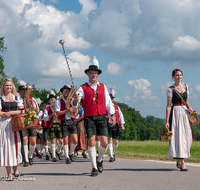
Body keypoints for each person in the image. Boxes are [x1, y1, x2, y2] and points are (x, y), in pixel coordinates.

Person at [73, 56, 116, 176]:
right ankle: (94, 167)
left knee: (105, 143)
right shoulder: (82, 88)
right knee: (91, 142)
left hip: (102, 116)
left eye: (95, 73)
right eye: (91, 73)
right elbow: (74, 103)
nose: (93, 75)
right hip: (89, 117)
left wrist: (112, 114)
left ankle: (99, 159)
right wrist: (76, 100)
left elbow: (108, 102)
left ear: (98, 75)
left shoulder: (102, 87)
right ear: (88, 74)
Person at [165, 69, 193, 171]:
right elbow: (168, 106)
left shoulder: (186, 87)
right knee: (179, 137)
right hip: (176, 113)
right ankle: (182, 162)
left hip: (185, 113)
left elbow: (186, 101)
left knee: (187, 137)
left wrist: (190, 108)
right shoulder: (170, 89)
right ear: (173, 76)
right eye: (177, 75)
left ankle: (179, 159)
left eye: (180, 75)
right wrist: (167, 121)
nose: (179, 77)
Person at [0, 79, 24, 179]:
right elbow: (0, 113)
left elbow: (22, 111)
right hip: (3, 124)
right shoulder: (0, 99)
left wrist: (9, 113)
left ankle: (16, 168)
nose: (8, 87)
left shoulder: (17, 98)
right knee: (5, 147)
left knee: (15, 146)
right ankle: (9, 173)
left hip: (15, 123)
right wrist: (13, 112)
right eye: (7, 85)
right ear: (3, 87)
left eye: (10, 85)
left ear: (12, 87)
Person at [56, 85, 78, 164]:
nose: (66, 92)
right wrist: (66, 110)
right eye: (64, 91)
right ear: (62, 92)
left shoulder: (72, 101)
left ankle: (71, 152)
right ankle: (67, 157)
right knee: (65, 140)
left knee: (75, 140)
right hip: (64, 121)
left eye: (67, 91)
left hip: (72, 121)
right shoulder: (58, 101)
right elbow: (57, 113)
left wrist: (74, 102)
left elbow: (76, 109)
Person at [18, 85, 39, 167]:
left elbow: (37, 110)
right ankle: (26, 159)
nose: (24, 92)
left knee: (33, 141)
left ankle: (30, 156)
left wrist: (30, 106)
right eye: (22, 91)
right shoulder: (18, 99)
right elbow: (18, 109)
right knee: (24, 140)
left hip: (32, 121)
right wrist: (23, 109)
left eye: (25, 91)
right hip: (22, 121)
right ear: (19, 92)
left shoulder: (32, 99)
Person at [44, 94, 63, 162]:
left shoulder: (59, 107)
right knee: (53, 141)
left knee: (61, 141)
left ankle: (58, 151)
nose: (52, 100)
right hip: (52, 125)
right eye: (51, 99)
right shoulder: (47, 109)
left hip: (59, 124)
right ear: (49, 101)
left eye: (53, 99)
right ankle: (54, 156)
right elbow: (45, 118)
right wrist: (51, 115)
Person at [107, 91, 125, 162]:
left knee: (116, 142)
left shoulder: (117, 107)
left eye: (112, 98)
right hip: (108, 125)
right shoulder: (106, 107)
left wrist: (122, 124)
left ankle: (112, 152)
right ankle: (111, 156)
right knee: (110, 140)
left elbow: (121, 116)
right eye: (110, 98)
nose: (111, 100)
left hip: (116, 125)